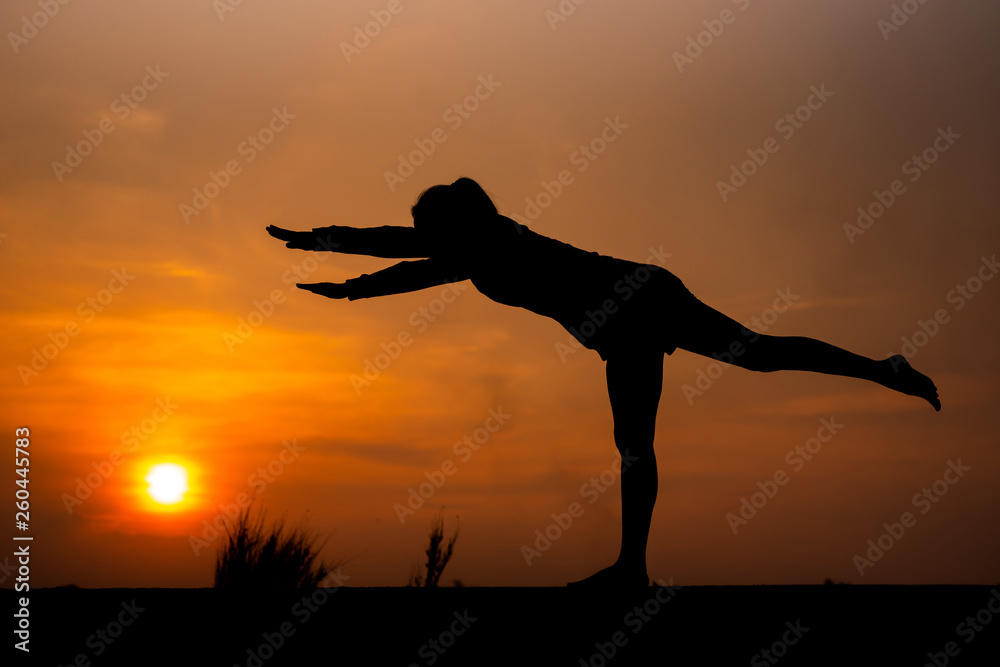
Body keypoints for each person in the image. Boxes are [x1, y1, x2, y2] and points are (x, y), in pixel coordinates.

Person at [266, 177, 940, 590]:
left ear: (453, 226)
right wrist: (335, 262)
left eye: (430, 231)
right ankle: (632, 569)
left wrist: (337, 266)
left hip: (638, 300)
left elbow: (397, 253)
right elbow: (409, 258)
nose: (424, 240)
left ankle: (882, 369)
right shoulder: (474, 253)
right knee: (646, 438)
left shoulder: (490, 242)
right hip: (625, 323)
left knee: (745, 365)